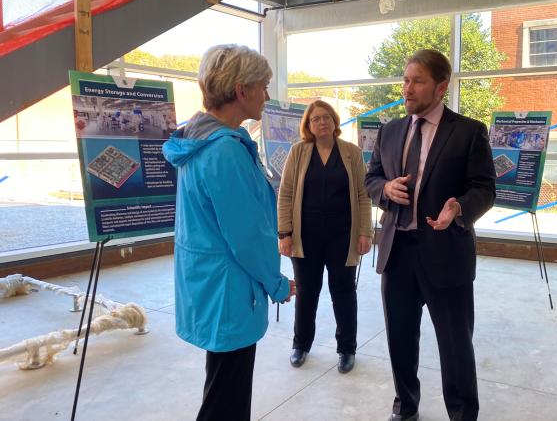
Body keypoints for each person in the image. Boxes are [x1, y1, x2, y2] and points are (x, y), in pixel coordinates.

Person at [162, 44, 295, 421]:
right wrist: (277, 283)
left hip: (212, 285)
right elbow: (247, 236)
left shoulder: (198, 141)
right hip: (229, 290)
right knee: (227, 401)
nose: (267, 96)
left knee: (222, 386)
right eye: (263, 86)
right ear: (241, 91)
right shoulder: (225, 152)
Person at [365, 49, 496, 421]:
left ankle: (462, 414)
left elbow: (485, 188)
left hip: (446, 254)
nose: (407, 88)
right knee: (401, 341)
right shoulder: (389, 131)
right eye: (405, 80)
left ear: (441, 86)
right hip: (397, 253)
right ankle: (405, 408)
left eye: (417, 80)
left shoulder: (469, 132)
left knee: (455, 345)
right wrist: (385, 190)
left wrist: (459, 209)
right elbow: (370, 178)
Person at [277, 100, 373, 374]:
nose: (321, 122)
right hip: (306, 236)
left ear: (334, 120)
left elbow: (363, 197)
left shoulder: (352, 153)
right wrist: (284, 233)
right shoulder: (298, 152)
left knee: (343, 292)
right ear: (308, 125)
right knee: (307, 292)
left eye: (326, 117)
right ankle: (301, 344)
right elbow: (285, 195)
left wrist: (365, 232)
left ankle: (347, 349)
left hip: (343, 236)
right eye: (315, 119)